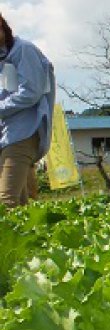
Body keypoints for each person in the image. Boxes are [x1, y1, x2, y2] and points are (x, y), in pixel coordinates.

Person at [0, 13, 55, 208]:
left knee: (6, 201)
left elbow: (32, 91)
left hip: (23, 134)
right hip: (6, 135)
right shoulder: (3, 57)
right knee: (21, 203)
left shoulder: (23, 50)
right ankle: (30, 238)